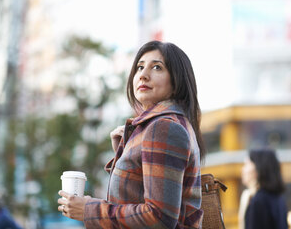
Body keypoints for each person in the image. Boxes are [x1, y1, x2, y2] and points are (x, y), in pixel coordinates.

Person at [58, 40, 205, 228]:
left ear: (177, 83)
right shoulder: (164, 125)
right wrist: (124, 154)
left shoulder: (164, 127)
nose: (143, 75)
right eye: (139, 67)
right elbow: (140, 196)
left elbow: (159, 217)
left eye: (157, 67)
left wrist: (89, 209)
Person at [238, 149, 288, 229]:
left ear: (258, 168)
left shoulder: (259, 200)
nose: (243, 169)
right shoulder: (278, 198)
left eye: (246, 164)